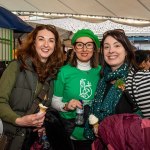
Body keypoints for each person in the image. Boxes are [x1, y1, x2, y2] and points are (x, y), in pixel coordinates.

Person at [0, 25, 64, 149]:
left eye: (51, 41)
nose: (46, 44)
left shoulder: (51, 75)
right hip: (8, 138)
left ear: (55, 46)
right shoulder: (16, 67)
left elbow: (44, 108)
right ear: (33, 42)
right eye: (41, 39)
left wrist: (42, 125)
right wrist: (19, 120)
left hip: (28, 141)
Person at [84, 29, 141, 140]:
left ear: (126, 51)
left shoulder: (137, 79)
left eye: (117, 46)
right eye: (106, 47)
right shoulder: (103, 80)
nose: (111, 50)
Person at [51, 29, 101, 150]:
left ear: (94, 48)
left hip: (95, 135)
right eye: (80, 45)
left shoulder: (101, 72)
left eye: (89, 45)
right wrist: (66, 106)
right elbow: (54, 102)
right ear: (74, 48)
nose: (84, 49)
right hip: (69, 134)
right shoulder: (64, 72)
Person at [126, 50, 150, 118]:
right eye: (148, 61)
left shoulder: (129, 78)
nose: (149, 63)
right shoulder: (147, 76)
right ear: (143, 63)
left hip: (141, 121)